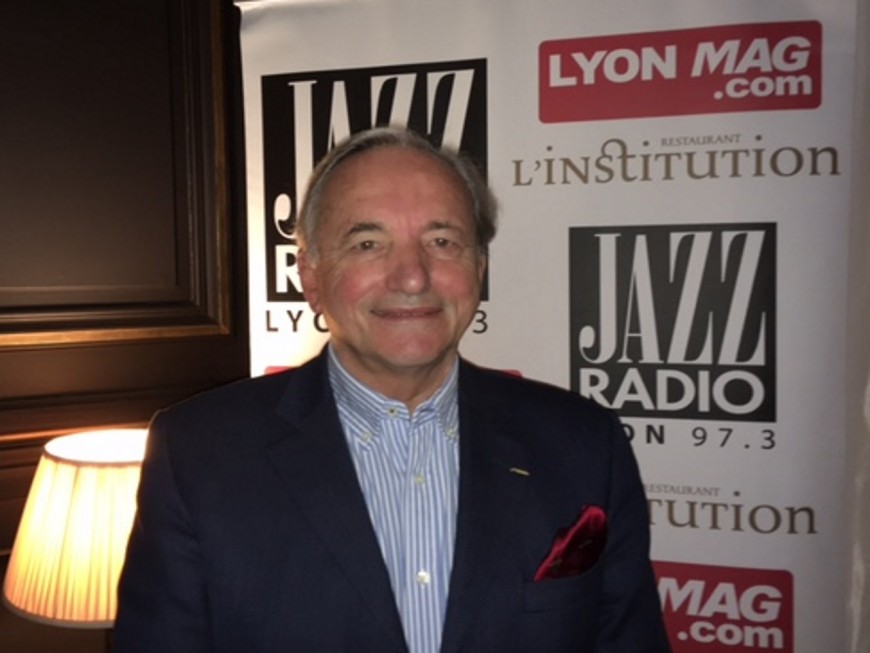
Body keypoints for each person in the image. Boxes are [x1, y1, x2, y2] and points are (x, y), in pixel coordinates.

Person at [114, 127, 671, 653]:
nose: (412, 276)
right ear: (310, 276)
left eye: (442, 241)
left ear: (479, 267)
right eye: (368, 244)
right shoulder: (198, 455)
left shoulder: (584, 445)